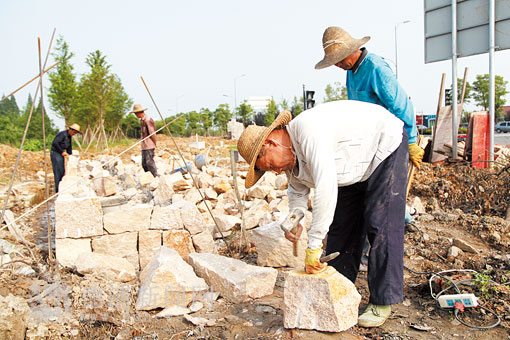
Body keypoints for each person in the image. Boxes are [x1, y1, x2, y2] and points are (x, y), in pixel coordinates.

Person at [237, 101, 408, 328]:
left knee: (380, 222)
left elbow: (326, 188)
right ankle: (340, 286)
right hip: (351, 165)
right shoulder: (290, 158)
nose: (277, 172)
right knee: (342, 225)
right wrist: (294, 220)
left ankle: (383, 300)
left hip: (384, 145)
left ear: (270, 143)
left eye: (271, 166)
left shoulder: (308, 130)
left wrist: (314, 245)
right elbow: (297, 190)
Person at [315, 26, 424, 168]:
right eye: (335, 62)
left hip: (390, 140)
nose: (338, 65)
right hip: (370, 142)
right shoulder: (351, 71)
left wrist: (410, 141)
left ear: (353, 50)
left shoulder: (376, 68)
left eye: (340, 59)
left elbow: (401, 104)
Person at [51, 123, 82, 192]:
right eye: (74, 132)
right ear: (70, 130)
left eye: (76, 133)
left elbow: (69, 146)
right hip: (56, 153)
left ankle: (61, 187)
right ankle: (57, 190)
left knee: (62, 171)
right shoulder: (62, 134)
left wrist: (71, 155)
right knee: (58, 171)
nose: (74, 134)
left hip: (60, 154)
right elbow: (55, 143)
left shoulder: (69, 136)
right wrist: (62, 152)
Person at [131, 103, 158, 177]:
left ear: (139, 113)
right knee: (144, 164)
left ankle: (156, 177)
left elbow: (152, 133)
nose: (135, 115)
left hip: (149, 145)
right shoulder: (142, 120)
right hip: (144, 146)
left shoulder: (148, 120)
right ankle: (148, 178)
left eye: (135, 113)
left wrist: (155, 143)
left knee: (149, 163)